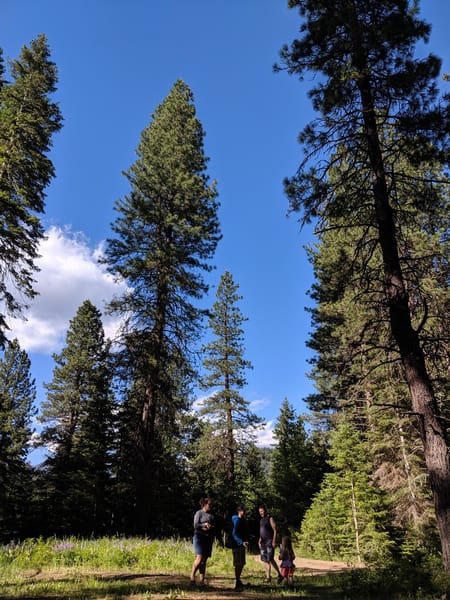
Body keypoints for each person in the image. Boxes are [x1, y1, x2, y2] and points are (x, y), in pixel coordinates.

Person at [190, 497, 215, 586]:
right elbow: (195, 525)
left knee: (204, 561)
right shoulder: (199, 513)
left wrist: (210, 527)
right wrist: (203, 525)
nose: (211, 506)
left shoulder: (211, 515)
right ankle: (192, 577)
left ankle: (202, 581)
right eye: (209, 504)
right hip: (199, 538)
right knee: (199, 559)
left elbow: (214, 527)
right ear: (204, 504)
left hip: (208, 539)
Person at [258, 504, 283, 583]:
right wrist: (260, 539)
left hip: (269, 541)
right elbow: (261, 531)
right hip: (263, 542)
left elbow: (275, 530)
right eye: (260, 511)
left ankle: (279, 574)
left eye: (262, 511)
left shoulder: (270, 518)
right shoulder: (261, 520)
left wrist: (274, 541)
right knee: (265, 559)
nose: (261, 513)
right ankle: (268, 577)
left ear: (265, 510)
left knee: (270, 558)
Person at [231, 504, 249, 591]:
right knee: (238, 563)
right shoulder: (236, 520)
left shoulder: (243, 520)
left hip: (242, 544)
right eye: (242, 511)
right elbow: (234, 533)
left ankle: (238, 580)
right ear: (239, 511)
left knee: (242, 563)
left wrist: (245, 540)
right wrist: (241, 542)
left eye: (244, 510)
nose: (244, 512)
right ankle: (237, 581)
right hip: (236, 545)